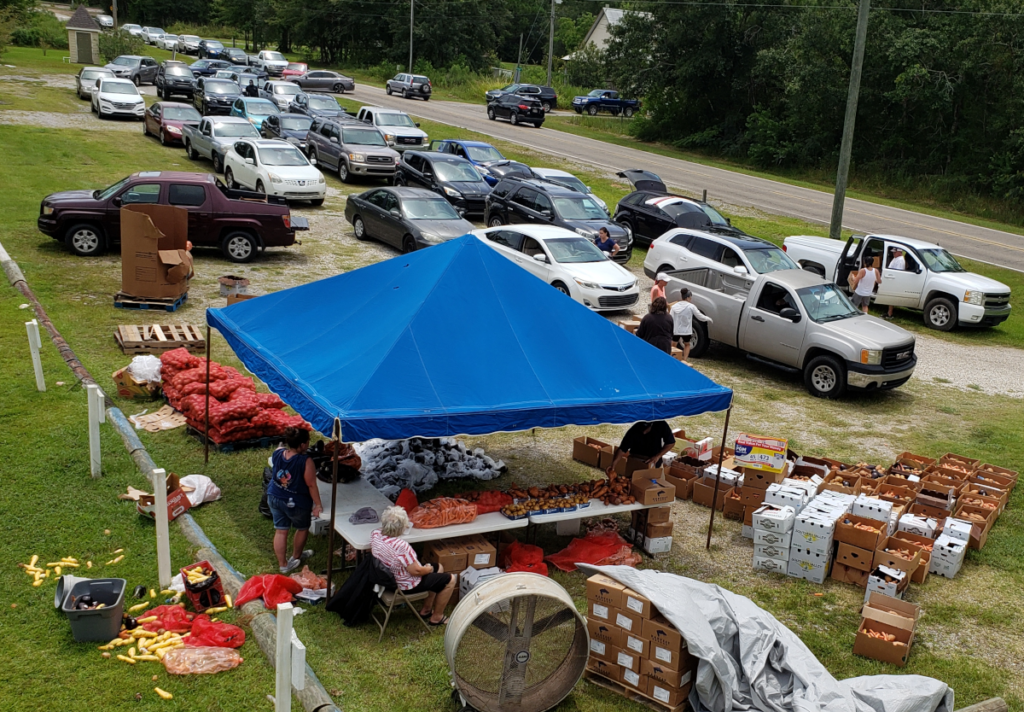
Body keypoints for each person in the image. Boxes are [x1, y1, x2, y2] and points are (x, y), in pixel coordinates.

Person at [371, 506, 456, 626]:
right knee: (450, 580)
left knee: (439, 567)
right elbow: (416, 571)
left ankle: (426, 609)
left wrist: (429, 568)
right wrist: (428, 569)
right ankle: (437, 617)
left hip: (385, 578)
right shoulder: (401, 546)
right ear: (402, 527)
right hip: (403, 585)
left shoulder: (376, 534)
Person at [267, 427, 324, 574]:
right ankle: (296, 557)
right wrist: (317, 504)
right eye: (307, 442)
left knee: (281, 531)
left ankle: (283, 564)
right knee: (302, 528)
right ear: (303, 445)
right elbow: (311, 484)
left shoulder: (278, 453)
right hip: (295, 502)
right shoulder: (305, 461)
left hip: (274, 496)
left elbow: (279, 450)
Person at [606, 420, 676, 476]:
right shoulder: (634, 430)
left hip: (654, 464)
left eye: (646, 430)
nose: (644, 432)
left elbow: (671, 443)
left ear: (651, 425)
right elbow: (622, 449)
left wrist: (657, 456)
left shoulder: (661, 424)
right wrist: (613, 465)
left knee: (656, 489)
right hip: (635, 463)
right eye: (642, 430)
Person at [670, 288, 712, 363]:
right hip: (686, 330)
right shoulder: (691, 306)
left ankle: (671, 357)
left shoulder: (674, 306)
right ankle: (684, 359)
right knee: (687, 344)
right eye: (690, 297)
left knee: (673, 345)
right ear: (688, 297)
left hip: (676, 329)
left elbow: (671, 317)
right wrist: (708, 318)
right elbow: (700, 316)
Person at [884, 248, 906, 319]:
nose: (893, 254)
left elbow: (897, 272)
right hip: (891, 279)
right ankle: (888, 312)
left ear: (899, 252)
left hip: (893, 280)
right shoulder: (896, 258)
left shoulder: (900, 260)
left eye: (895, 252)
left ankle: (890, 314)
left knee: (891, 298)